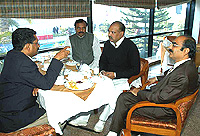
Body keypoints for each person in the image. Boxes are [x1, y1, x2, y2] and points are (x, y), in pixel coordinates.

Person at [106, 35, 199, 136]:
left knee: (124, 105)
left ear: (186, 51)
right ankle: (127, 131)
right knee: (125, 97)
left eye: (174, 45)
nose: (170, 47)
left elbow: (161, 97)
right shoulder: (187, 65)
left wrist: (139, 93)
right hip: (167, 99)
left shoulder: (182, 75)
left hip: (165, 109)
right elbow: (172, 75)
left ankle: (119, 132)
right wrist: (157, 78)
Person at [69, 21, 140, 133]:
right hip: (107, 76)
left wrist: (115, 74)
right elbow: (103, 61)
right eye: (109, 31)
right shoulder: (108, 44)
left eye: (113, 32)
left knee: (115, 96)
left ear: (121, 34)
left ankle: (102, 120)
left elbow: (136, 69)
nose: (109, 34)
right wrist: (102, 70)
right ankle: (84, 117)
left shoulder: (130, 46)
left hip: (122, 78)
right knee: (92, 91)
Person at [0, 28, 70, 133]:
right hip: (14, 117)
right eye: (36, 43)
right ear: (28, 46)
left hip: (8, 107)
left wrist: (34, 83)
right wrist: (56, 59)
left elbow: (19, 78)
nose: (39, 46)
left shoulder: (12, 55)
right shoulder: (24, 63)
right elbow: (47, 84)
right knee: (63, 112)